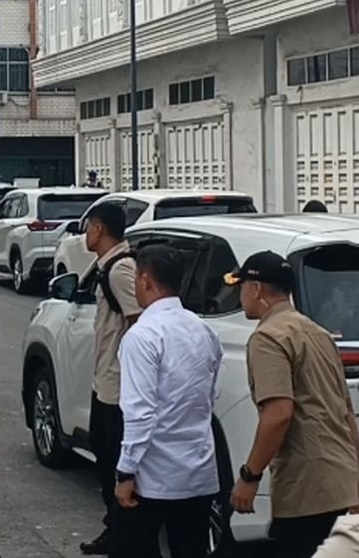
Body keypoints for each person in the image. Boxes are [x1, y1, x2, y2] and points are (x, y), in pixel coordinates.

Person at [228, 251, 359, 558]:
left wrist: (250, 477)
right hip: (342, 482)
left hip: (306, 488)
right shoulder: (319, 333)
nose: (240, 293)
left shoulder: (268, 338)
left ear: (257, 288)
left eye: (243, 285)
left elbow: (278, 414)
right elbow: (345, 412)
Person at [111, 245, 223, 558]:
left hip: (153, 476)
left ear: (145, 280)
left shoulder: (142, 336)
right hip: (197, 470)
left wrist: (126, 472)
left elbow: (140, 413)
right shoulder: (203, 330)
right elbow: (207, 396)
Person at [79, 201, 141, 556]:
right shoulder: (109, 266)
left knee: (115, 462)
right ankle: (113, 527)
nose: (87, 234)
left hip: (117, 386)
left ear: (99, 229)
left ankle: (124, 535)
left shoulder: (120, 270)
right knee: (103, 456)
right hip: (105, 380)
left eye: (89, 227)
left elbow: (137, 323)